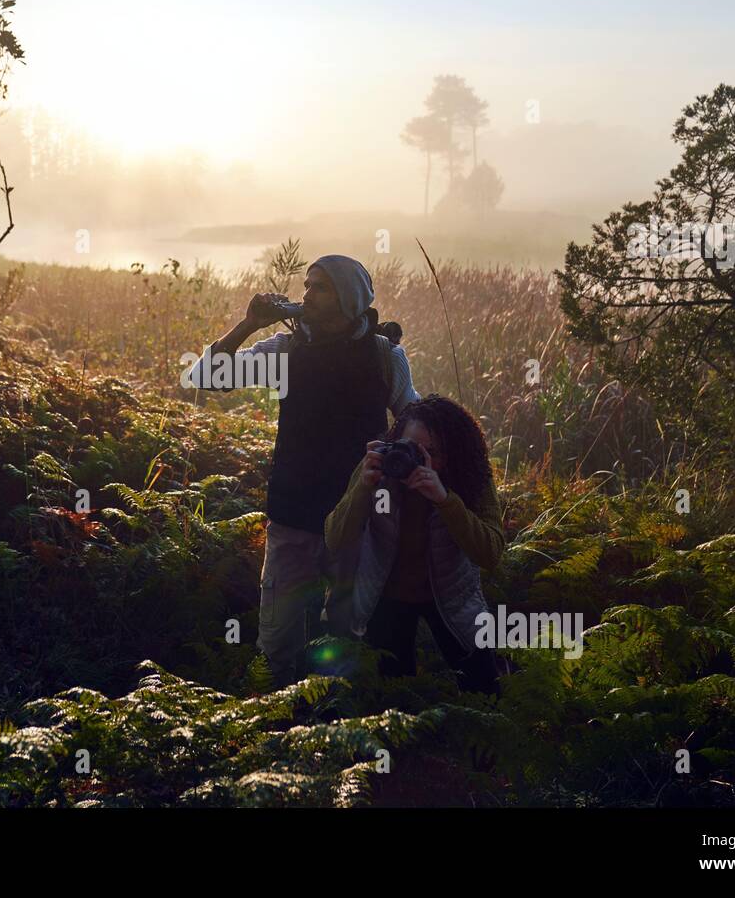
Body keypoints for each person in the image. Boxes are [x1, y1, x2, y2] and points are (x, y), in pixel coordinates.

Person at [183, 255, 417, 687]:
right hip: (291, 517)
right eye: (307, 285)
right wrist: (249, 324)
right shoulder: (287, 350)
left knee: (347, 641)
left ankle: (337, 731)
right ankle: (276, 730)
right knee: (275, 646)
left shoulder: (385, 357)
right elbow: (206, 378)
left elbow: (414, 426)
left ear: (348, 299)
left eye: (320, 287)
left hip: (356, 522)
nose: (306, 294)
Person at [323, 394, 506, 694]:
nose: (419, 459)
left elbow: (491, 553)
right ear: (395, 442)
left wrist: (445, 500)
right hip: (386, 595)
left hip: (451, 595)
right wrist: (364, 488)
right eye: (409, 447)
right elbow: (335, 538)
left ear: (454, 453)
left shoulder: (470, 477)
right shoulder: (380, 468)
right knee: (392, 696)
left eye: (432, 452)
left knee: (485, 689)